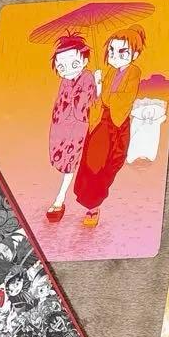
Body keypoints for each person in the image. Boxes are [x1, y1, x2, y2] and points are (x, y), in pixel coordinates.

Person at [72, 26, 145, 227]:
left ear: (135, 55)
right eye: (111, 51)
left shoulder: (134, 72)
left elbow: (124, 100)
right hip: (101, 123)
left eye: (122, 52)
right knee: (93, 163)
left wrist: (103, 91)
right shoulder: (111, 71)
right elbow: (99, 100)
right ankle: (91, 206)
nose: (115, 56)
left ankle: (94, 204)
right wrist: (98, 86)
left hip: (116, 123)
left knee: (109, 164)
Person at [45, 33, 94, 222]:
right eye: (61, 67)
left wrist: (96, 86)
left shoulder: (87, 77)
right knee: (66, 161)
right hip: (64, 127)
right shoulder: (65, 81)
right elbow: (59, 105)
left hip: (81, 127)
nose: (67, 70)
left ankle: (60, 199)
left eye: (74, 64)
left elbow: (84, 105)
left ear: (84, 60)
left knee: (74, 164)